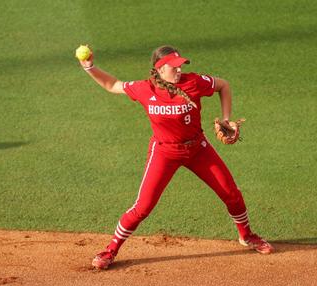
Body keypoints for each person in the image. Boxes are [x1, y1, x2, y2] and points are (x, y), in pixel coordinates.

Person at [78, 45, 274, 270]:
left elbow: (223, 85)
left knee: (231, 193)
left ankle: (246, 235)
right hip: (164, 152)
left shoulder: (194, 82)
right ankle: (110, 250)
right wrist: (89, 67)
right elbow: (113, 85)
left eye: (181, 66)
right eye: (174, 67)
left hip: (197, 149)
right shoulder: (145, 89)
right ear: (160, 69)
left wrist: (227, 118)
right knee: (143, 207)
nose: (180, 71)